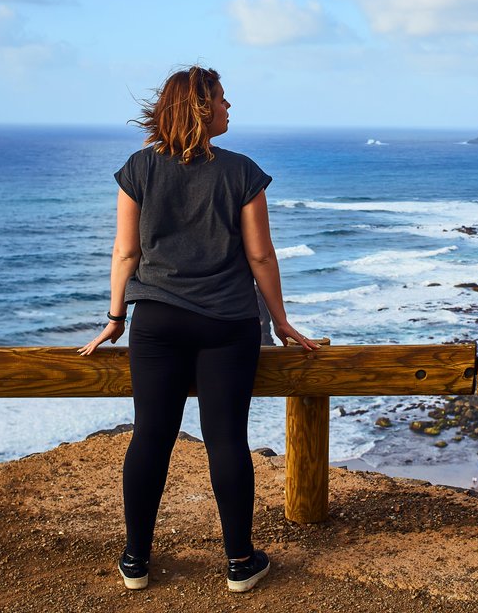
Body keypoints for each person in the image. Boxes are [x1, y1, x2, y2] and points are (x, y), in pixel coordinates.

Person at [79, 65, 318, 594]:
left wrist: (116, 317)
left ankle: (135, 561)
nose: (231, 108)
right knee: (226, 439)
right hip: (227, 323)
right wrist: (281, 322)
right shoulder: (241, 172)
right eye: (223, 100)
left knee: (151, 437)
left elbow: (126, 252)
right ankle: (239, 563)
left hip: (157, 323)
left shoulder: (139, 168)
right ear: (201, 108)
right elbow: (260, 255)